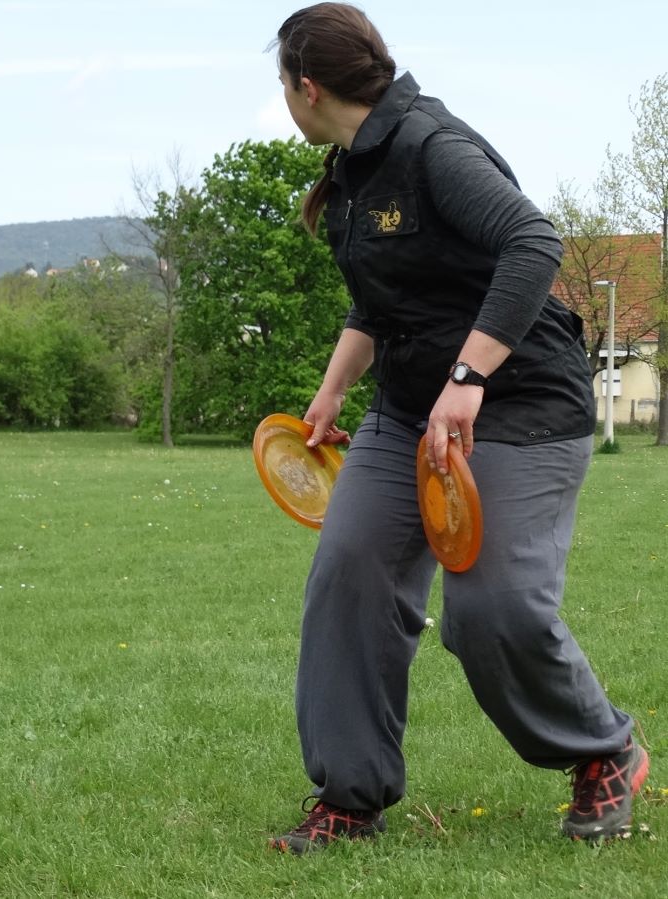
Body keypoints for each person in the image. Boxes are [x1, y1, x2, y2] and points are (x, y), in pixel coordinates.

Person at [267, 2, 648, 854]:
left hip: (519, 406)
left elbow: (532, 242)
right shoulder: (353, 172)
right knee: (349, 573)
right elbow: (381, 301)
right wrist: (331, 394)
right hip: (409, 407)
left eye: (280, 87)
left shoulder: (432, 147)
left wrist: (469, 376)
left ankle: (604, 750)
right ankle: (351, 794)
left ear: (307, 85)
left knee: (492, 610)